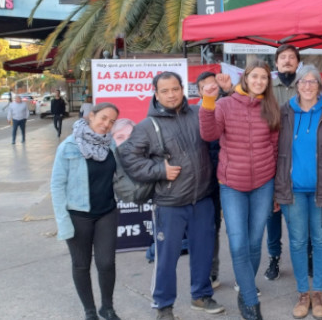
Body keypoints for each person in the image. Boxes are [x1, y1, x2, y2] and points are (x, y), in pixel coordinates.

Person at [118, 72, 222, 320]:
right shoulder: (146, 126)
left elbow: (216, 145)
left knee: (204, 251)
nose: (171, 94)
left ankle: (201, 295)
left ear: (182, 89)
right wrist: (159, 171)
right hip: (170, 203)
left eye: (175, 89)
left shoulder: (198, 114)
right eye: (165, 91)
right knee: (166, 257)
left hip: (203, 198)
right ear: (156, 93)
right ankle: (164, 306)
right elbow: (129, 158)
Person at [199, 60, 280, 320]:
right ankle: (250, 301)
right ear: (245, 78)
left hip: (263, 184)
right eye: (255, 76)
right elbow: (209, 134)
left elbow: (275, 148)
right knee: (237, 244)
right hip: (232, 185)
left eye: (264, 78)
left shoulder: (271, 107)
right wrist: (208, 103)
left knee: (255, 243)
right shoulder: (224, 104)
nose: (259, 81)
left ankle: (244, 289)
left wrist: (276, 187)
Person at [274, 65, 322, 319]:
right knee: (298, 241)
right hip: (292, 190)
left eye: (312, 81)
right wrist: (275, 188)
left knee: (321, 239)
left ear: (319, 85)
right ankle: (303, 292)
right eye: (303, 81)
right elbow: (274, 151)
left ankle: (318, 293)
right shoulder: (283, 112)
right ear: (296, 85)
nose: (307, 85)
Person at [51, 102, 123, 320]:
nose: (106, 124)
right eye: (103, 118)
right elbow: (57, 186)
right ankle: (90, 311)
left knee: (106, 263)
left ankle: (107, 308)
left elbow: (119, 177)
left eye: (111, 122)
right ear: (91, 116)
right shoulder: (69, 147)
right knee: (81, 265)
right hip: (78, 215)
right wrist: (63, 222)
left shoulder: (110, 146)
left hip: (107, 212)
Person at [266, 44, 301, 281]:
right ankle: (274, 258)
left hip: (300, 157)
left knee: (300, 211)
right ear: (276, 63)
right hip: (273, 157)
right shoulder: (267, 88)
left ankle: (305, 255)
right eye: (283, 58)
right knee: (273, 212)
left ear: (298, 62)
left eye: (291, 57)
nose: (287, 61)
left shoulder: (306, 85)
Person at [196, 71, 234, 288]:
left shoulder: (229, 106)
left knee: (237, 228)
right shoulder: (197, 112)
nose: (211, 89)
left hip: (231, 177)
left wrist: (228, 90)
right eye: (205, 87)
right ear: (200, 91)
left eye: (214, 86)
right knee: (211, 228)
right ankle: (212, 273)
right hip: (207, 181)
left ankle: (243, 277)